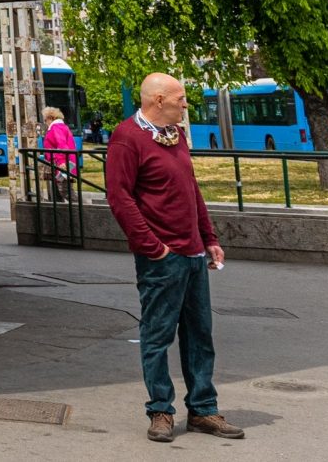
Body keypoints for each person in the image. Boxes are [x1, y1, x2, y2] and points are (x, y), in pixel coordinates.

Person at [106, 73, 244, 443]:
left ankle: (203, 409)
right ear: (159, 100)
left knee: (200, 334)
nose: (186, 105)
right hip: (161, 258)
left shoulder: (177, 136)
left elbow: (191, 189)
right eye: (181, 99)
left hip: (194, 252)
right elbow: (120, 198)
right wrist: (154, 248)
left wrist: (209, 237)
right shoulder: (126, 138)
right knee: (157, 335)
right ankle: (161, 411)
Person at [43, 105, 80, 183]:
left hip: (61, 164)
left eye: (45, 120)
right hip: (64, 162)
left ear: (51, 118)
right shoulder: (62, 127)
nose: (45, 122)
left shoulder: (56, 128)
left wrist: (62, 163)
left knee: (64, 191)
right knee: (62, 189)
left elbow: (62, 145)